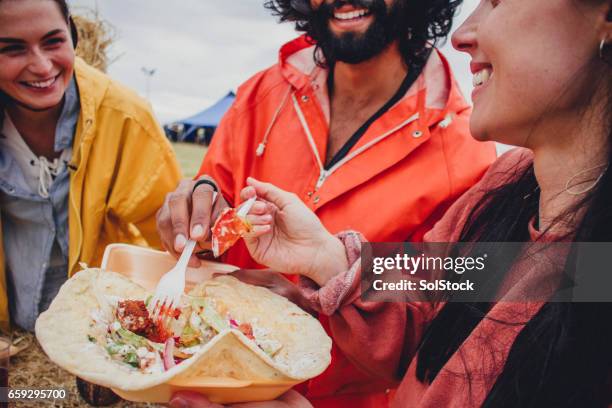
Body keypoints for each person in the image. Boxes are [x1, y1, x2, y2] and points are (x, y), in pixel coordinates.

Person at [171, 0, 612, 406]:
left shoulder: (470, 160)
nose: (463, 33)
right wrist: (328, 261)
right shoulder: (510, 186)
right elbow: (433, 303)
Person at [0, 0, 181, 331]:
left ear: (72, 32)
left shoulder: (125, 117)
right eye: (12, 49)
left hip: (96, 327)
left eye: (53, 41)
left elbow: (169, 236)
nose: (42, 67)